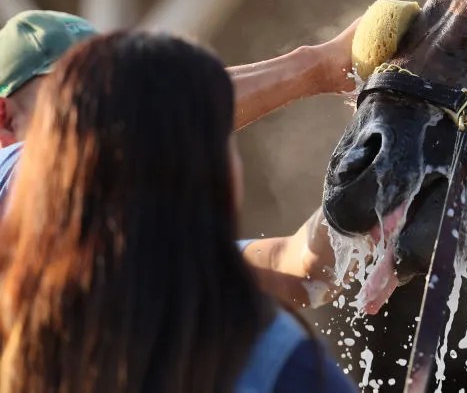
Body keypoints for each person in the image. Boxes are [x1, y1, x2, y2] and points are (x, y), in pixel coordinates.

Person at [0, 31, 358, 393]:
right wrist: (317, 65)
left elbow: (302, 268)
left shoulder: (36, 319)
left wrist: (380, 192)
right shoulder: (269, 357)